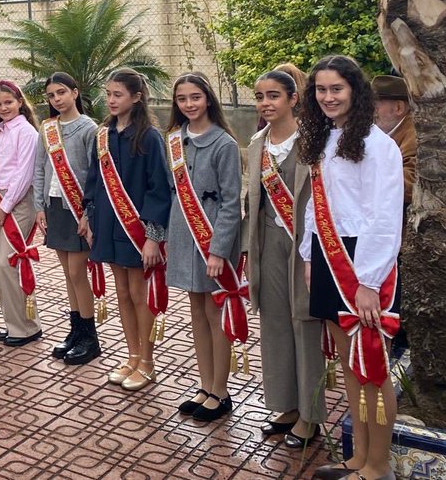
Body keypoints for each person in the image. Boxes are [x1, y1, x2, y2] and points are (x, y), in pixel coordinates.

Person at [299, 55, 403, 480]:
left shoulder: (379, 146)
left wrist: (369, 282)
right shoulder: (325, 138)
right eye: (320, 90)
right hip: (328, 254)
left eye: (336, 89)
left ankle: (377, 468)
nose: (327, 97)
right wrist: (309, 255)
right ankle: (358, 458)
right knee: (349, 364)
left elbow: (385, 215)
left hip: (363, 262)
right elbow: (316, 204)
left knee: (372, 366)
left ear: (354, 92)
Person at [244, 67, 324, 449]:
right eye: (260, 97)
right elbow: (254, 202)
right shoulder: (257, 142)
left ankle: (310, 416)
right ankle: (286, 406)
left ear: (294, 98)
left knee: (304, 324)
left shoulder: (313, 141)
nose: (265, 103)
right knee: (275, 324)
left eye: (274, 95)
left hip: (307, 246)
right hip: (269, 242)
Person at [85, 68, 172, 392]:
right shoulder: (103, 135)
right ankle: (132, 355)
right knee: (121, 293)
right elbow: (93, 181)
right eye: (108, 94)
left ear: (136, 97)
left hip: (136, 229)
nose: (110, 100)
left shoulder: (148, 136)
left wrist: (153, 237)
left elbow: (159, 189)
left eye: (117, 94)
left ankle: (147, 362)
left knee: (139, 294)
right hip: (108, 224)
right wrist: (89, 220)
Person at [165, 72, 244, 423]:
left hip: (212, 240)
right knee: (196, 313)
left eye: (195, 97)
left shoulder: (224, 143)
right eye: (182, 99)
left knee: (215, 315)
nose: (189, 105)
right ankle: (205, 384)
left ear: (208, 98)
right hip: (184, 236)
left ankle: (221, 391)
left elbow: (231, 202)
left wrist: (218, 250)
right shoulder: (174, 141)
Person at [33, 72, 101, 364]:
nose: (57, 99)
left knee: (77, 272)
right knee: (66, 273)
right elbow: (39, 168)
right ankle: (76, 330)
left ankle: (90, 336)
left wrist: (88, 211)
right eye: (51, 95)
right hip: (55, 206)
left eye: (62, 92)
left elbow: (95, 175)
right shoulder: (47, 128)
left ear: (75, 93)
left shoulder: (90, 129)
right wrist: (39, 207)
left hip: (79, 209)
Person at [0, 80, 43, 347]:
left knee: (11, 262)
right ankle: (14, 323)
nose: (4, 107)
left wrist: (3, 208)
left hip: (16, 203)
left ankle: (27, 327)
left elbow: (24, 174)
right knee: (2, 265)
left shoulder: (27, 132)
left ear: (20, 102)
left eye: (9, 102)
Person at [371, 74, 417, 213]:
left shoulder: (415, 136)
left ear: (398, 107)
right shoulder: (387, 132)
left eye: (373, 106)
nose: (368, 112)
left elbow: (412, 185)